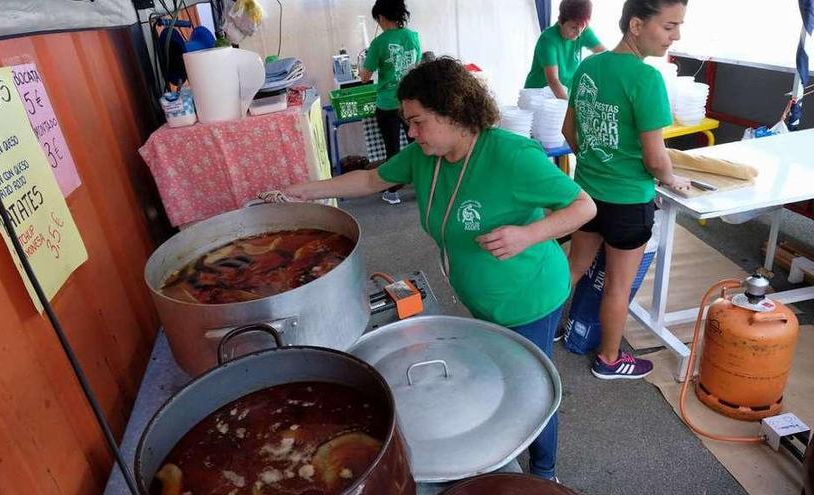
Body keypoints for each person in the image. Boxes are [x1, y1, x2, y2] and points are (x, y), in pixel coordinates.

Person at [269, 58, 596, 481]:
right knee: (494, 375)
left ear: (454, 111)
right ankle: (501, 458)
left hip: (528, 296)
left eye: (418, 122)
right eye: (408, 122)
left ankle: (545, 471)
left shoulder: (512, 156)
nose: (411, 132)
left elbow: (584, 206)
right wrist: (303, 193)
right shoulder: (427, 156)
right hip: (482, 295)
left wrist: (528, 234)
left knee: (529, 389)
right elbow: (370, 181)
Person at [562, 0, 692, 379]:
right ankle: (609, 359)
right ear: (636, 24)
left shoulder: (588, 66)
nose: (676, 36)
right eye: (669, 26)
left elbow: (569, 132)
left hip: (585, 194)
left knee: (574, 267)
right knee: (617, 286)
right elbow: (655, 159)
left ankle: (543, 330)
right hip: (627, 202)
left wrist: (596, 164)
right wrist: (671, 179)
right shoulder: (646, 79)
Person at [360, 0, 421, 205]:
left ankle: (393, 192)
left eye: (377, 19)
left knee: (392, 149)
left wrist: (365, 65)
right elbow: (417, 67)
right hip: (411, 102)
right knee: (418, 146)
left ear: (382, 17)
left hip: (387, 104)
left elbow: (365, 77)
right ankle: (423, 189)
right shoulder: (413, 37)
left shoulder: (378, 43)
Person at [524, 0, 606, 100]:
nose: (578, 33)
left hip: (560, 97)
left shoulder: (583, 32)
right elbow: (553, 80)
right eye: (573, 27)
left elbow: (606, 56)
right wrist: (569, 107)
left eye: (583, 27)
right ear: (560, 21)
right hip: (537, 98)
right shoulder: (548, 39)